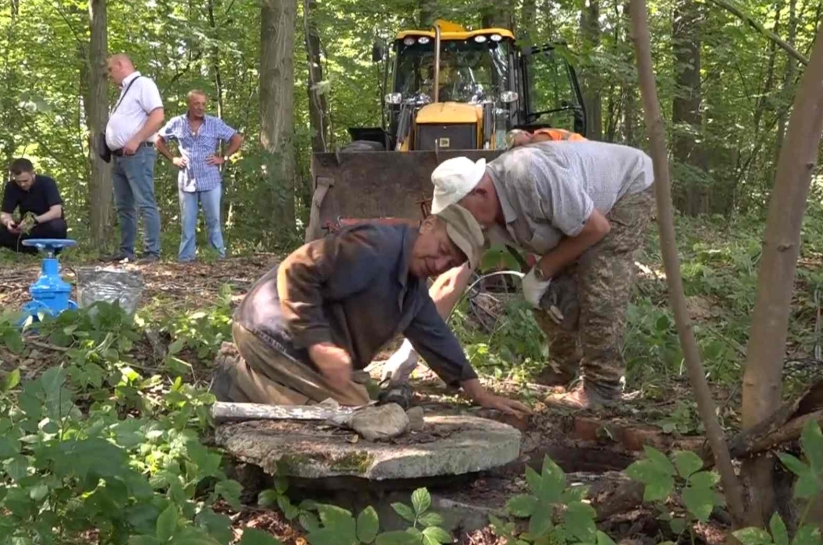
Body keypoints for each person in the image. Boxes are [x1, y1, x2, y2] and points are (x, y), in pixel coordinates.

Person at [211, 205, 531, 418]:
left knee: (359, 407)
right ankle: (240, 379)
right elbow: (297, 268)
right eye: (442, 250)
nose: (438, 264)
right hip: (269, 330)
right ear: (428, 225)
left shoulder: (413, 288)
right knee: (349, 414)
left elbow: (436, 336)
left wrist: (477, 391)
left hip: (295, 343)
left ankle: (269, 381)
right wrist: (319, 344)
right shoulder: (376, 247)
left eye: (448, 264)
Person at [429, 140, 654, 409]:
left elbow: (596, 228)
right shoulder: (483, 212)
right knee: (546, 291)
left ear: (480, 192)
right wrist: (412, 348)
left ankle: (603, 387)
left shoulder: (528, 175)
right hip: (583, 215)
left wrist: (543, 270)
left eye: (461, 212)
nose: (461, 222)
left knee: (599, 279)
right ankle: (563, 367)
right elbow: (454, 276)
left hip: (625, 189)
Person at [155, 89, 243, 262]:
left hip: (210, 180)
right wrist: (173, 158)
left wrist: (223, 158)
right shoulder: (177, 123)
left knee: (214, 221)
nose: (200, 107)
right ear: (189, 104)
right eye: (197, 103)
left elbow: (237, 139)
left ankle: (217, 257)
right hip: (186, 180)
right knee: (187, 222)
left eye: (203, 104)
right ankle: (186, 259)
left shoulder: (214, 123)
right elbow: (158, 139)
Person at [104, 54, 164, 263]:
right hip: (119, 157)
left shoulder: (143, 84)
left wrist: (136, 140)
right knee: (124, 206)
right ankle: (126, 250)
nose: (109, 75)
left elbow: (157, 115)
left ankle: (151, 251)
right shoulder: (125, 92)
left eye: (110, 69)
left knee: (145, 201)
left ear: (121, 65)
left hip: (137, 153)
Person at [0, 158, 68, 253]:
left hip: (46, 225)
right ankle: (30, 251)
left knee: (58, 226)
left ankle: (51, 251)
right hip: (26, 229)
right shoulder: (11, 187)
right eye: (19, 181)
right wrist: (9, 223)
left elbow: (56, 212)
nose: (22, 184)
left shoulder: (47, 183)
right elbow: (5, 214)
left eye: (25, 180)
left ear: (32, 173)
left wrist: (33, 221)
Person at [509, 128, 585, 147]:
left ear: (526, 133)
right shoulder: (539, 132)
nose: (519, 148)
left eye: (519, 143)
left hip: (579, 147)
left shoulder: (537, 139)